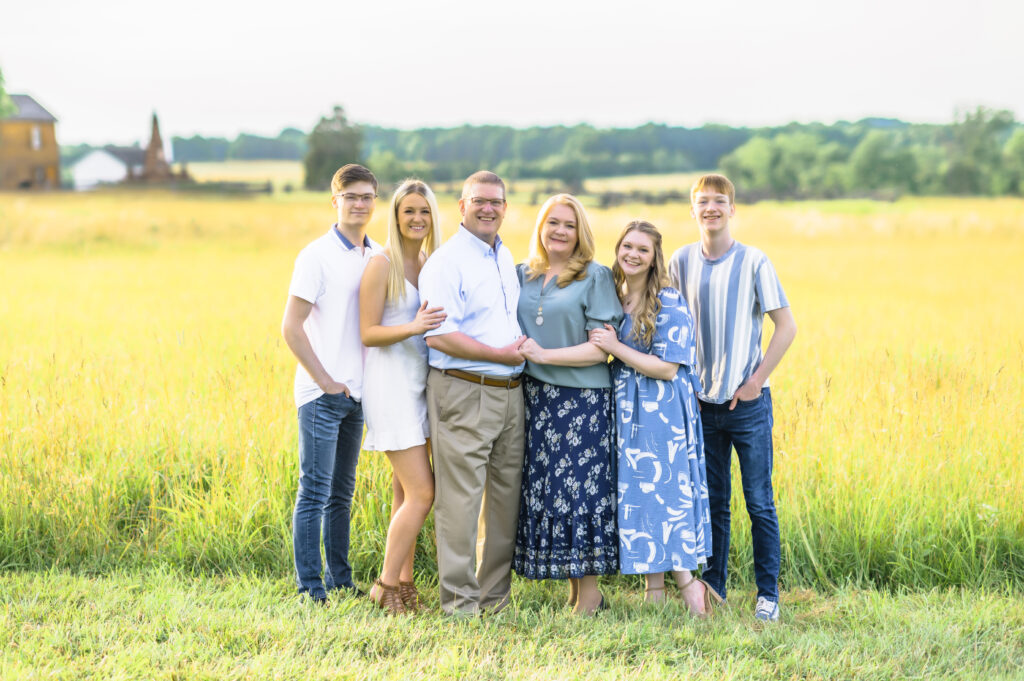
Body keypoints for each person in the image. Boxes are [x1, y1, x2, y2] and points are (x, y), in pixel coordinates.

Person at [667, 174, 796, 623]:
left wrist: (757, 381)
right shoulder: (680, 262)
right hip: (700, 404)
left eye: (719, 201)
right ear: (693, 211)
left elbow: (787, 326)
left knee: (759, 500)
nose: (711, 209)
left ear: (732, 209)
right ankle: (715, 586)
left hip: (748, 405)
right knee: (714, 501)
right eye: (702, 202)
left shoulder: (755, 261)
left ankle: (767, 596)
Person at [589, 220, 719, 616]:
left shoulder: (669, 299)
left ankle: (691, 587)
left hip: (662, 409)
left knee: (666, 496)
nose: (632, 254)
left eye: (642, 249)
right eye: (627, 246)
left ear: (653, 257)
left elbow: (667, 368)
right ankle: (655, 594)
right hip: (629, 406)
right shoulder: (615, 294)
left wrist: (614, 347)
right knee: (642, 493)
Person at [418, 170, 526, 615]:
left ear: (504, 207)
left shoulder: (503, 256)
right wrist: (499, 356)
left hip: (510, 394)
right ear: (461, 207)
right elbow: (439, 337)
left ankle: (493, 598)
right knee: (460, 503)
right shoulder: (447, 262)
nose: (488, 208)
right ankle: (460, 605)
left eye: (496, 202)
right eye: (478, 201)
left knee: (504, 501)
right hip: (465, 391)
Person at [512, 194, 623, 616]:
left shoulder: (594, 276)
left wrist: (543, 356)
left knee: (580, 493)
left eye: (569, 225)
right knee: (553, 492)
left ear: (581, 233)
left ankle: (590, 595)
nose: (559, 231)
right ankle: (576, 592)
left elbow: (601, 351)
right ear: (540, 226)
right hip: (536, 399)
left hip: (581, 400)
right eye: (552, 222)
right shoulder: (523, 273)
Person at [281, 163, 381, 604]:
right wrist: (324, 380)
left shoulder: (377, 256)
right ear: (335, 200)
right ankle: (310, 587)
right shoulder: (315, 255)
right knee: (315, 491)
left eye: (367, 197)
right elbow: (291, 327)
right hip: (322, 395)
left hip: (358, 395)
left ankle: (341, 580)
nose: (359, 204)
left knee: (342, 494)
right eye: (351, 196)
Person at [359, 179, 446, 614]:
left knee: (404, 492)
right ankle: (384, 584)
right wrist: (414, 326)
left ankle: (406, 584)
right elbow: (368, 332)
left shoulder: (430, 263)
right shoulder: (382, 263)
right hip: (390, 388)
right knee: (423, 493)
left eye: (424, 211)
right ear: (395, 215)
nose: (417, 219)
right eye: (409, 210)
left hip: (420, 386)